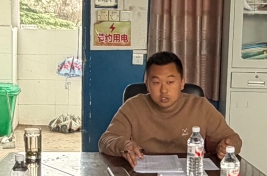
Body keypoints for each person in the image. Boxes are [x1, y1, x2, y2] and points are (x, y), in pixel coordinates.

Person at [98, 51, 242, 168]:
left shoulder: (200, 106)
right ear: (147, 84)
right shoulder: (133, 106)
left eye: (170, 82)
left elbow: (234, 139)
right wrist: (124, 145)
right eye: (156, 82)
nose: (164, 90)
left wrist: (228, 147)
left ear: (182, 83)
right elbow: (105, 140)